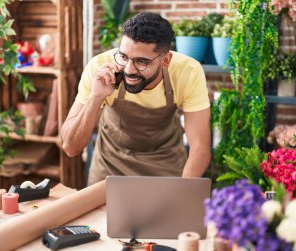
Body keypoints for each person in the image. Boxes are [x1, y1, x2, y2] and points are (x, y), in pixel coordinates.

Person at [61, 13, 211, 185]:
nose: (129, 70)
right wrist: (96, 97)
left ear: (165, 60)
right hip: (110, 166)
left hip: (164, 166)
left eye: (142, 61)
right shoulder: (100, 68)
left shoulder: (188, 71)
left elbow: (200, 148)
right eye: (124, 57)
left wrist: (181, 192)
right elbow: (70, 148)